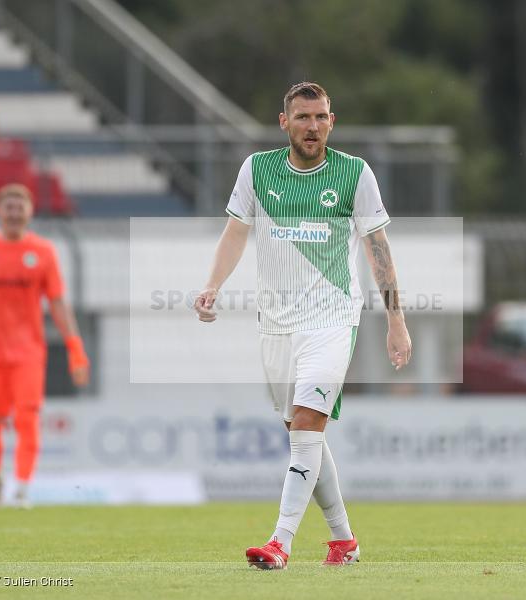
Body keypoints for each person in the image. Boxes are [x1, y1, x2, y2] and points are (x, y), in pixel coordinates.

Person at [194, 82, 412, 568]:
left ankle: (281, 542)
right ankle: (344, 541)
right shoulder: (258, 170)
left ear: (332, 121)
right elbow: (235, 233)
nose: (312, 127)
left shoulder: (355, 174)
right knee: (302, 432)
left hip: (333, 318)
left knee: (309, 422)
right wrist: (212, 285)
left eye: (321, 117)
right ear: (284, 122)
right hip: (275, 323)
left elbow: (379, 251)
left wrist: (395, 319)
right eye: (303, 117)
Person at [0, 183, 90, 507]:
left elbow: (58, 302)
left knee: (27, 418)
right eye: (8, 207)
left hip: (28, 352)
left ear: (29, 211)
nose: (13, 212)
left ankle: (22, 489)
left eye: (19, 206)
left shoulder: (44, 251)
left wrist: (74, 345)